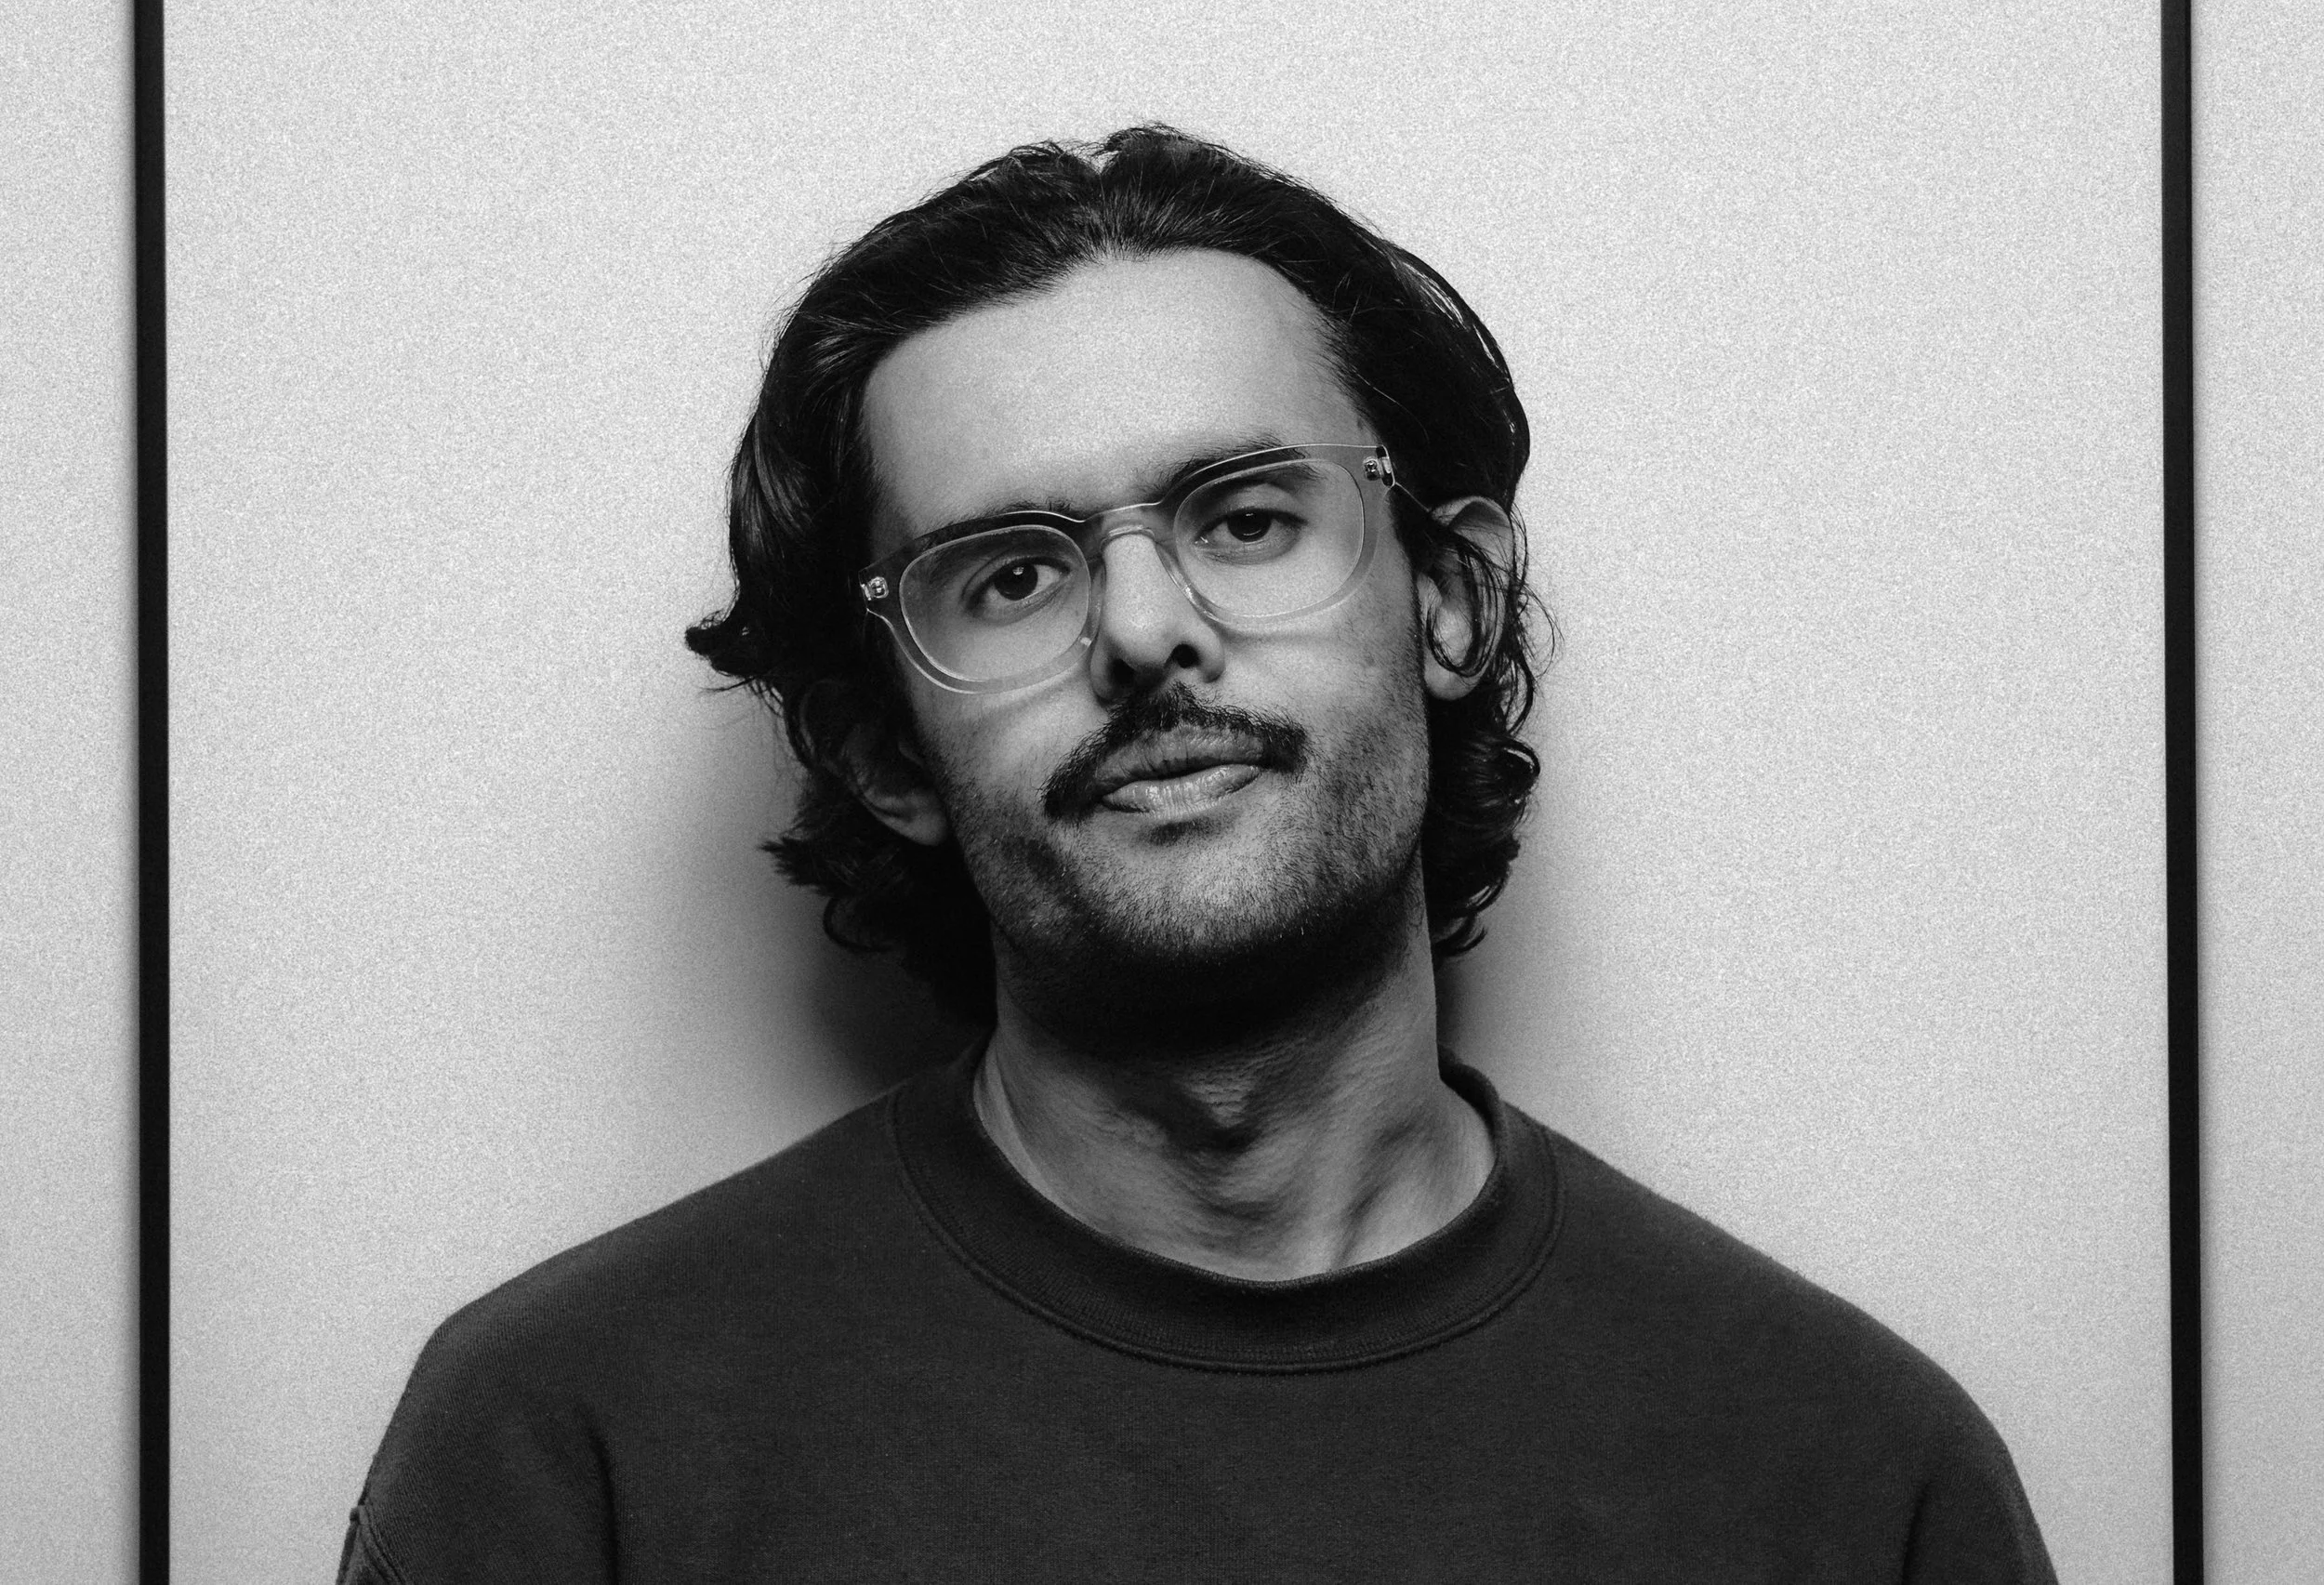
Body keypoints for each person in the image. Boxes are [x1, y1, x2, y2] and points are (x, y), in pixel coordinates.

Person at [339, 127, 2056, 1582]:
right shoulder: (577, 1449)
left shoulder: (1850, 1477)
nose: (1148, 629)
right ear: (882, 748)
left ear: (1444, 599)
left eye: (1245, 514)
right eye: (1012, 572)